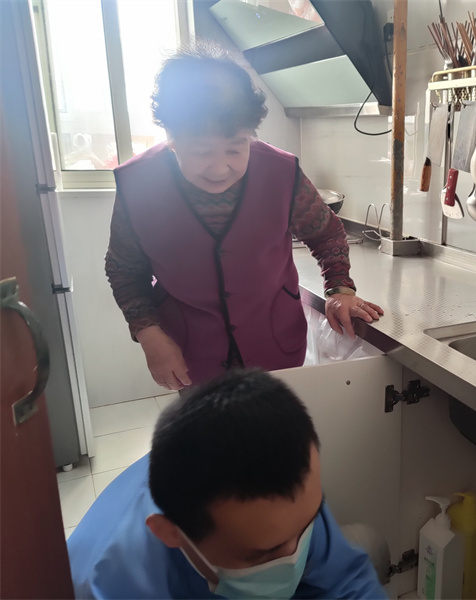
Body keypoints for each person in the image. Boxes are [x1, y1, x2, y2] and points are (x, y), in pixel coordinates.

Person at [105, 44, 383, 391]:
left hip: (276, 347)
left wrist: (340, 287)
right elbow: (124, 269)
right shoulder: (137, 183)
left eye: (235, 148)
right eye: (202, 152)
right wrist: (149, 335)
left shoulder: (281, 172)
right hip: (190, 354)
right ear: (172, 139)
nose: (220, 167)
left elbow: (326, 234)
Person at [68, 369, 388, 599]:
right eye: (263, 555)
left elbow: (346, 580)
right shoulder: (107, 587)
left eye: (308, 526)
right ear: (171, 533)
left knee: (367, 543)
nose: (296, 559)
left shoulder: (286, 500)